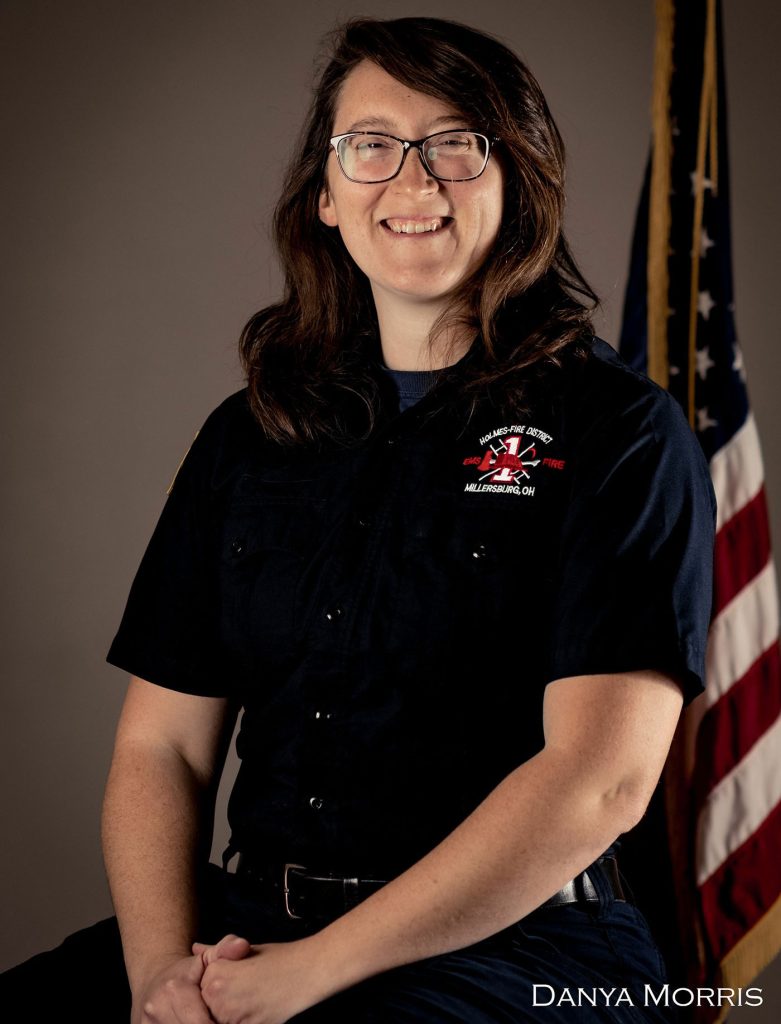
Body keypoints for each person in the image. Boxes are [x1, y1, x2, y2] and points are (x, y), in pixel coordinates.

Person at [1, 15, 715, 1024]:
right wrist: (160, 975)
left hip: (529, 947)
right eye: (371, 146)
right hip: (249, 924)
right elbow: (162, 748)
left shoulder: (621, 435)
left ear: (518, 187)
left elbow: (598, 780)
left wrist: (312, 972)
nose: (413, 184)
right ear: (326, 195)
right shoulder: (248, 436)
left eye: (457, 145)